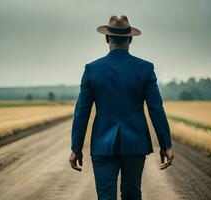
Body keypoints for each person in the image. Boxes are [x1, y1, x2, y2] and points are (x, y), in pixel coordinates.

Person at [69, 15, 174, 200]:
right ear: (130, 39)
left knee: (105, 196)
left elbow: (81, 112)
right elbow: (156, 108)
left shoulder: (92, 69)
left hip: (102, 145)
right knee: (133, 195)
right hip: (135, 144)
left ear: (107, 39)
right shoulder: (145, 69)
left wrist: (76, 148)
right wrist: (166, 144)